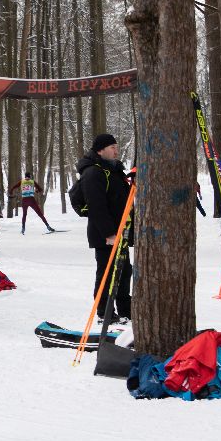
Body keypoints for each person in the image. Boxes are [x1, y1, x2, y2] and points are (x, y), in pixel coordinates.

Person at [76, 133, 132, 324]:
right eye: (112, 147)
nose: (116, 150)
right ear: (100, 150)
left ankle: (126, 310)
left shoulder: (115, 170)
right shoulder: (93, 172)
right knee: (107, 273)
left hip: (121, 231)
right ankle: (104, 312)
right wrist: (109, 233)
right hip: (105, 234)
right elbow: (96, 205)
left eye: (116, 147)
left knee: (125, 271)